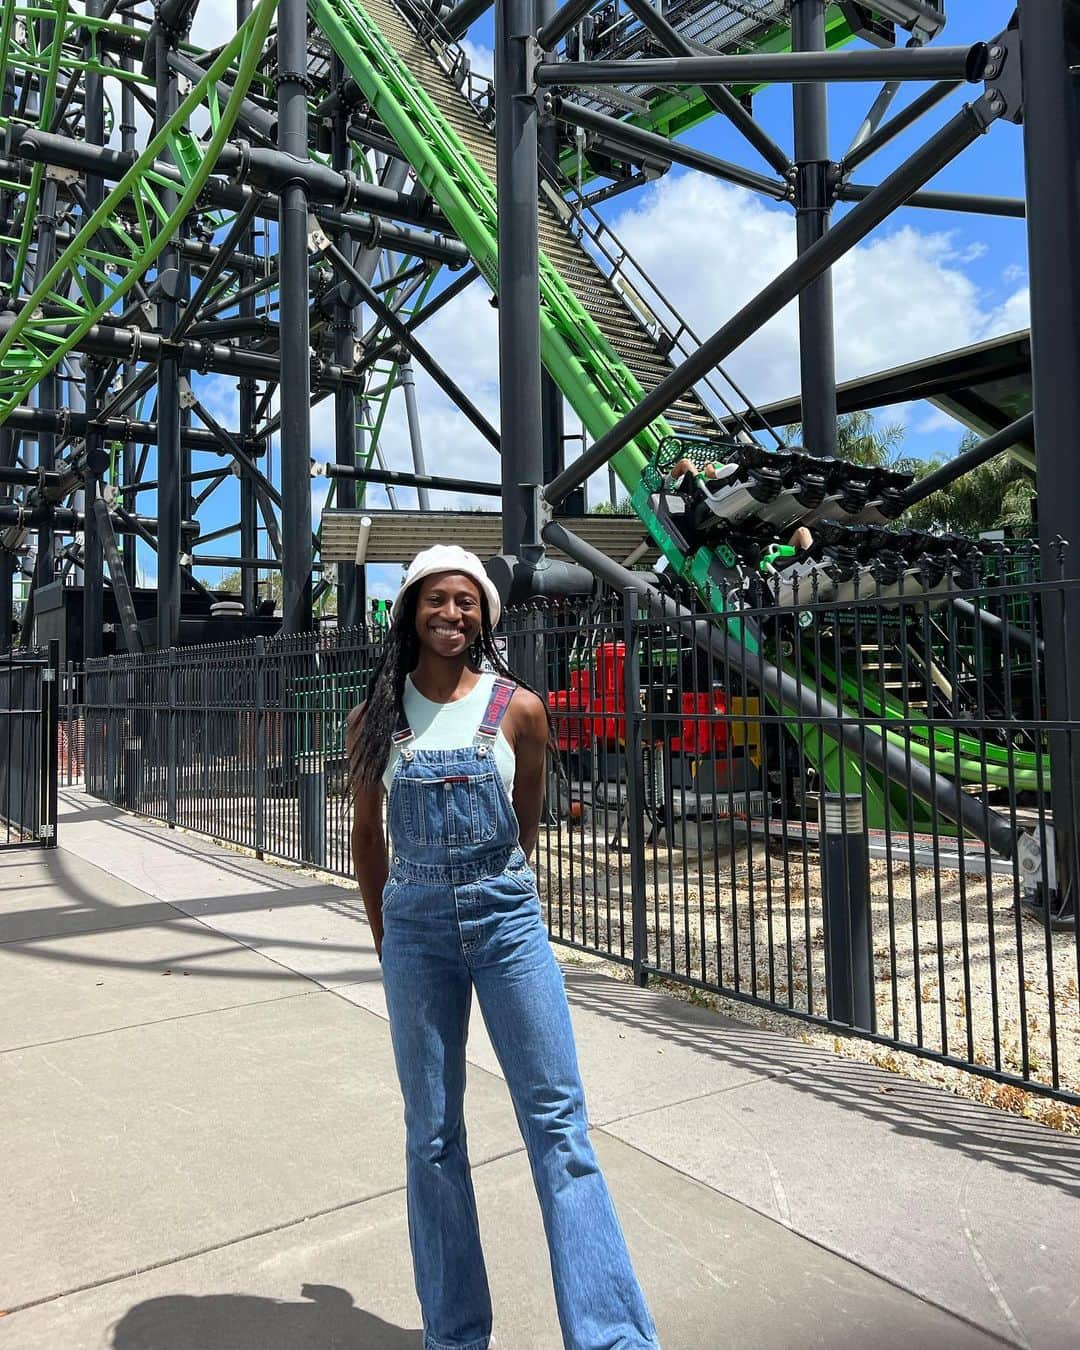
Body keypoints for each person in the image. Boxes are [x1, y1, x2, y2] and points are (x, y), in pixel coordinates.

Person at [347, 544, 659, 1350]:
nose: (453, 615)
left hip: (507, 924)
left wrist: (495, 888)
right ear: (409, 609)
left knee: (559, 1124)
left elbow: (526, 819)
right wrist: (390, 940)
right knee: (434, 1136)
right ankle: (453, 1335)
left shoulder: (518, 707)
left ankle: (612, 1337)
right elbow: (366, 840)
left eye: (468, 603)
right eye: (436, 600)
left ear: (485, 615)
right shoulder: (376, 717)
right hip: (415, 932)